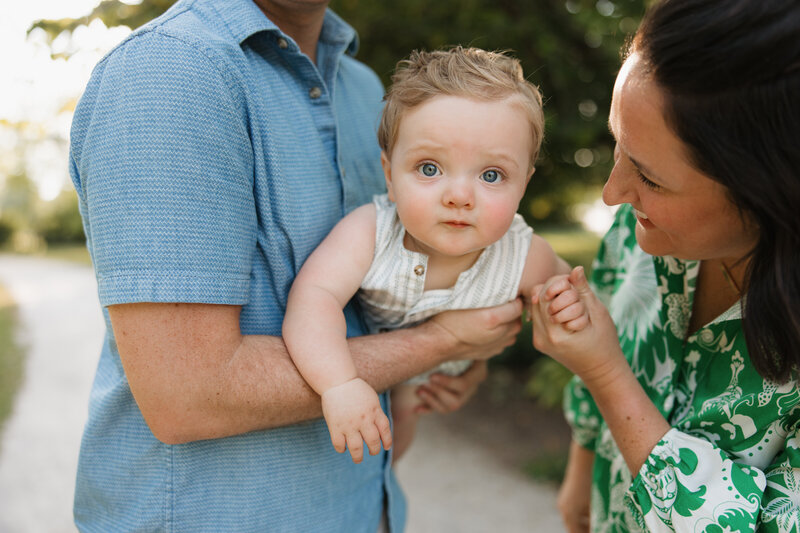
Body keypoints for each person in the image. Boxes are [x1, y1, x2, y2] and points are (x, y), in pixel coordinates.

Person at [67, 0, 526, 531]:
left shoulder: (362, 88)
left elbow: (399, 267)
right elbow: (188, 395)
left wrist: (445, 361)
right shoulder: (169, 74)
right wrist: (441, 343)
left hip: (365, 510)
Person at [528, 0, 800, 531]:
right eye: (618, 147)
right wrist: (581, 470)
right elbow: (602, 306)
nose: (612, 196)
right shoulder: (641, 232)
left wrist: (607, 374)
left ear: (771, 191)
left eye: (650, 179)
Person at [283, 47, 584, 463]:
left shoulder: (523, 255)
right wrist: (339, 384)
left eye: (491, 175)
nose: (459, 196)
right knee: (386, 430)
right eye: (429, 168)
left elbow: (569, 291)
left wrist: (565, 303)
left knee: (399, 426)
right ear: (389, 176)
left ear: (524, 185)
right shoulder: (370, 232)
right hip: (382, 369)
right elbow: (312, 299)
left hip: (440, 375)